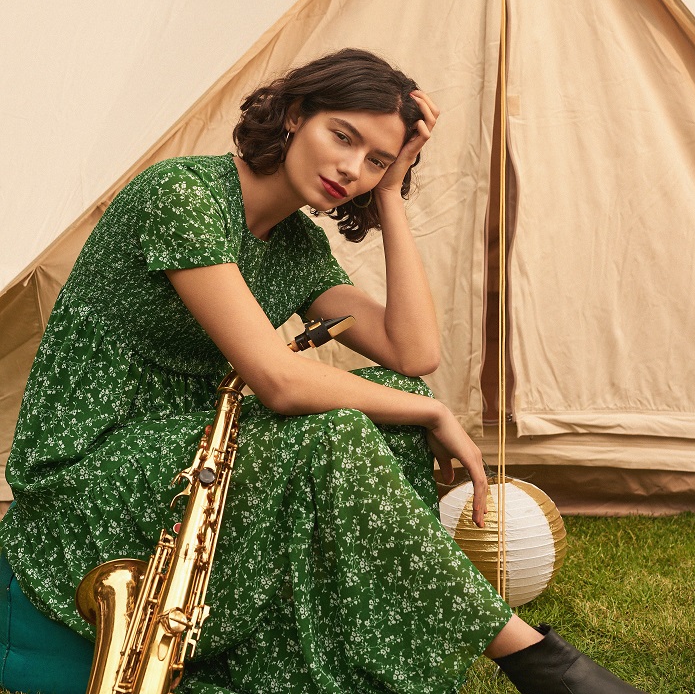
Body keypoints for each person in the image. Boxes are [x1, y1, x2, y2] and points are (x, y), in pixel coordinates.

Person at [0, 49, 644, 694]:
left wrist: (393, 195)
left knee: (393, 396)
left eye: (376, 161)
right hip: (92, 461)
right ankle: (530, 656)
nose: (351, 169)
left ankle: (354, 665)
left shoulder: (296, 246)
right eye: (343, 136)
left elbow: (412, 352)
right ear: (293, 116)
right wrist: (436, 410)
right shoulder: (180, 196)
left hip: (196, 445)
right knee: (336, 430)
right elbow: (277, 380)